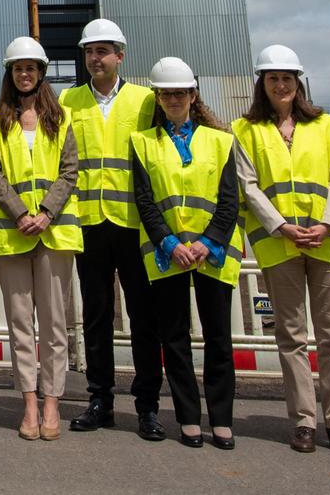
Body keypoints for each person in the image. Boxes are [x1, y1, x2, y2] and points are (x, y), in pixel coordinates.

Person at [230, 45, 330, 455]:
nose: (280, 85)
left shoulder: (325, 126)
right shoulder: (245, 129)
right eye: (272, 79)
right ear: (261, 84)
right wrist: (282, 226)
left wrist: (327, 223)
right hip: (280, 243)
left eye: (287, 78)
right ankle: (304, 420)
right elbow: (247, 185)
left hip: (326, 240)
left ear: (297, 82)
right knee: (291, 336)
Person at [130, 56, 242, 450]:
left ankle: (223, 419)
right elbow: (144, 201)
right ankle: (189, 418)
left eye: (180, 93)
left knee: (218, 337)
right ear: (158, 99)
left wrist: (206, 242)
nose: (174, 99)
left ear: (194, 95)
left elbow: (230, 201)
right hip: (168, 253)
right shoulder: (143, 142)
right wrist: (171, 243)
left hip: (212, 252)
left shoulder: (221, 140)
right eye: (167, 94)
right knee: (174, 338)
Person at [61, 17, 164, 439]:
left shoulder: (145, 101)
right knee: (96, 317)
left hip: (135, 225)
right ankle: (100, 399)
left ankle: (147, 406)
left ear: (121, 55)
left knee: (144, 318)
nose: (95, 58)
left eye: (102, 51)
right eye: (89, 51)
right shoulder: (68, 100)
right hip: (89, 223)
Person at [0, 37, 81, 440]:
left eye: (31, 68)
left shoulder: (63, 119)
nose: (25, 74)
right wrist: (21, 213)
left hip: (53, 233)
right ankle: (29, 404)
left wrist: (46, 213)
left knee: (55, 325)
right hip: (12, 233)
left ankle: (52, 402)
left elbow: (69, 171)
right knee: (21, 325)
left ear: (41, 73)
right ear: (10, 73)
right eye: (18, 68)